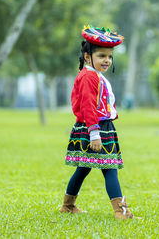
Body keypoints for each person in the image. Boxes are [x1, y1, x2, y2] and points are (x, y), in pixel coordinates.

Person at [60, 25, 138, 219]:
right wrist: (94, 133)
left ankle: (68, 205)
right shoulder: (88, 77)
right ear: (88, 57)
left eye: (110, 57)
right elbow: (87, 106)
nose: (107, 60)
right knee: (110, 168)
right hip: (94, 128)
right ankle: (121, 212)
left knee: (84, 168)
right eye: (102, 56)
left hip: (100, 127)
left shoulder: (95, 75)